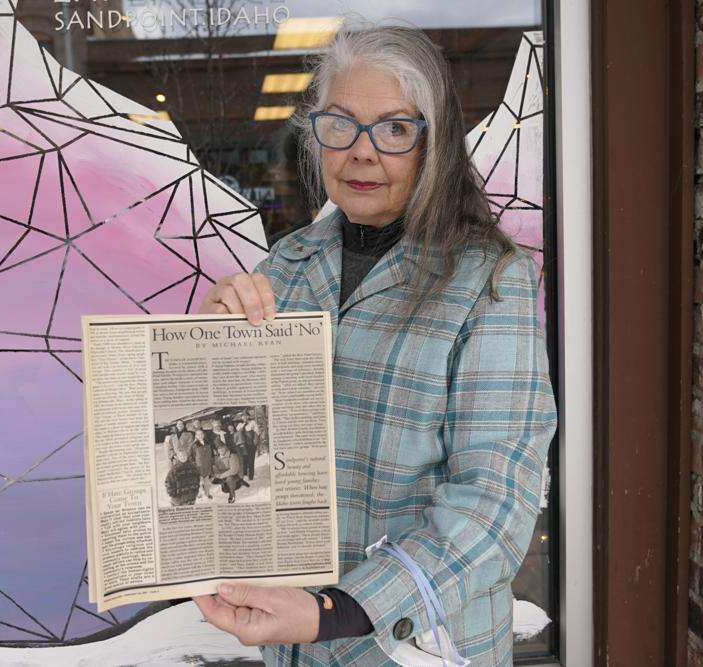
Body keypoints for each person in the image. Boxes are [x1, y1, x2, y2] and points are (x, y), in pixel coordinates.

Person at [192, 23, 556, 667]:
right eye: (340, 124)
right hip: (293, 646)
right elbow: (243, 456)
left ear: (434, 145)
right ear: (315, 136)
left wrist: (335, 611)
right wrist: (210, 349)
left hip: (414, 648)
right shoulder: (285, 269)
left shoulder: (490, 281)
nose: (361, 152)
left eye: (394, 129)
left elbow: (493, 506)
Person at [193, 428, 215, 500]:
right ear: (196, 436)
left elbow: (212, 454)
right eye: (198, 434)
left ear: (203, 435)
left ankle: (207, 493)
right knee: (199, 481)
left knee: (207, 480)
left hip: (207, 465)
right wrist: (194, 464)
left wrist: (212, 462)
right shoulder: (194, 445)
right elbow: (191, 456)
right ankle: (199, 494)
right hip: (199, 466)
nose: (200, 435)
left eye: (201, 434)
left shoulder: (208, 443)